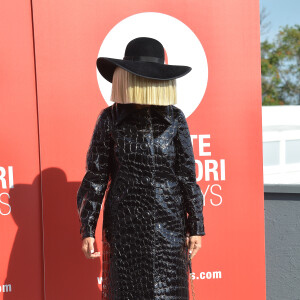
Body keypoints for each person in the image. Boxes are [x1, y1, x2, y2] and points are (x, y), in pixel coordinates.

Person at [77, 37, 205, 300]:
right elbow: (97, 177)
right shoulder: (110, 118)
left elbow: (186, 175)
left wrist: (197, 227)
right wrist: (87, 228)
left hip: (171, 225)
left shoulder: (175, 117)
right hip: (125, 225)